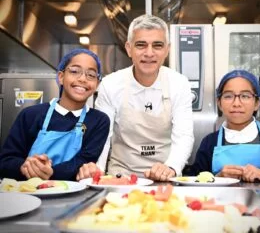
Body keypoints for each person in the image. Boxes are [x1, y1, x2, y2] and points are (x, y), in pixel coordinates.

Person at [76, 14, 194, 181]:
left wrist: (172, 166)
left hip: (165, 176)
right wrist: (97, 170)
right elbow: (103, 136)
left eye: (157, 45)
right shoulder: (110, 85)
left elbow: (183, 135)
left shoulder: (179, 84)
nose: (149, 53)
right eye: (141, 45)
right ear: (129, 48)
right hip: (121, 177)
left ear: (167, 50)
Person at [0, 48, 110, 181]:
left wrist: (49, 172)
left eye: (91, 75)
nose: (82, 79)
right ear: (61, 77)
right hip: (26, 194)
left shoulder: (99, 121)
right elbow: (5, 161)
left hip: (71, 195)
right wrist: (26, 167)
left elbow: (83, 161)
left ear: (97, 84)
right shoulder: (30, 115)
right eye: (75, 71)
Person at [184, 70, 260, 182]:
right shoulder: (209, 142)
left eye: (245, 96)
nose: (236, 103)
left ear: (257, 103)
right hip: (222, 202)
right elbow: (195, 178)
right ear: (219, 103)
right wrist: (217, 177)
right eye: (228, 96)